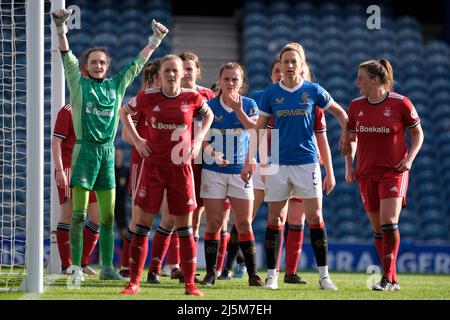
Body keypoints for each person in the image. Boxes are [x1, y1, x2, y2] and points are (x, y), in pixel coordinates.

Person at [51, 8, 168, 285]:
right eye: (93, 62)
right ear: (87, 66)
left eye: (102, 62)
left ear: (107, 65)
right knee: (78, 214)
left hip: (106, 154)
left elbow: (136, 66)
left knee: (107, 217)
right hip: (84, 152)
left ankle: (106, 267)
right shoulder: (78, 85)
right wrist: (60, 29)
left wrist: (154, 41)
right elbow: (67, 59)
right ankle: (77, 268)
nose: (98, 66)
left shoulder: (116, 86)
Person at [241, 42, 350, 290]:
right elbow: (258, 131)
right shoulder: (270, 94)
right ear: (279, 65)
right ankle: (272, 276)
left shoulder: (314, 91)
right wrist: (250, 160)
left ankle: (324, 277)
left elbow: (341, 113)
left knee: (315, 217)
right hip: (278, 165)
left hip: (307, 164)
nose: (289, 66)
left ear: (301, 66)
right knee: (275, 219)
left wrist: (346, 134)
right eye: (285, 62)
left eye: (294, 62)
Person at [118, 54, 214, 296]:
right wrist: (138, 140)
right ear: (159, 75)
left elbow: (209, 115)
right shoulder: (147, 97)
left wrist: (197, 140)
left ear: (183, 74)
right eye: (167, 71)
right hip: (152, 168)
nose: (171, 74)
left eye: (175, 70)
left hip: (181, 169)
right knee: (142, 225)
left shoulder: (192, 98)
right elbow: (123, 112)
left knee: (185, 228)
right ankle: (134, 282)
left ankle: (190, 285)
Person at [345, 59, 423, 291]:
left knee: (389, 223)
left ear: (376, 79)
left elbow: (418, 134)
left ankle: (387, 278)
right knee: (378, 230)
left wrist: (409, 159)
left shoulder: (401, 103)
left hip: (394, 171)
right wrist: (349, 166)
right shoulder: (355, 106)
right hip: (366, 172)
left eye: (361, 77)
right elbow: (350, 140)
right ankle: (393, 278)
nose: (357, 82)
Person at [146, 52, 217, 283]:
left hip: (201, 165)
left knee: (193, 220)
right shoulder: (169, 96)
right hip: (175, 163)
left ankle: (182, 268)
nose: (186, 72)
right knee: (168, 219)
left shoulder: (206, 95)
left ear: (198, 71)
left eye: (190, 68)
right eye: (182, 68)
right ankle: (159, 268)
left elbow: (213, 122)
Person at [200, 62, 263, 287]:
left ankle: (253, 274)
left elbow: (255, 132)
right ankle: (210, 274)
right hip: (213, 171)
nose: (230, 83)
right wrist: (213, 154)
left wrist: (238, 110)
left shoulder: (249, 104)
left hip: (240, 171)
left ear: (241, 82)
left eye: (235, 79)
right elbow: (203, 141)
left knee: (244, 223)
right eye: (226, 79)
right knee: (214, 223)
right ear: (220, 80)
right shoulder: (208, 106)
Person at [119, 59, 161, 278]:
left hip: (165, 164)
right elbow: (126, 133)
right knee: (138, 216)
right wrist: (142, 143)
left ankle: (161, 266)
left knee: (168, 217)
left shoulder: (167, 99)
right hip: (142, 162)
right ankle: (127, 264)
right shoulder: (141, 100)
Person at [52, 103, 100, 276]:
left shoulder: (97, 108)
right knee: (69, 215)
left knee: (98, 217)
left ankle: (81, 262)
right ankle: (67, 265)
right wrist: (59, 170)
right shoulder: (68, 111)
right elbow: (56, 142)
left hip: (92, 169)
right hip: (70, 168)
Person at [114, 147, 130, 241]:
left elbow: (130, 188)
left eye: (119, 156)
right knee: (102, 228)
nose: (117, 158)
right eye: (116, 156)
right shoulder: (109, 170)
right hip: (108, 203)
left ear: (122, 157)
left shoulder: (126, 171)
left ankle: (125, 254)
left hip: (121, 204)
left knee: (123, 230)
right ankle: (98, 255)